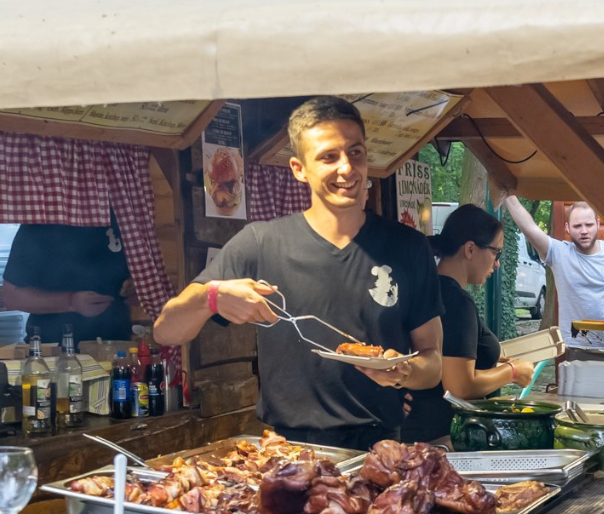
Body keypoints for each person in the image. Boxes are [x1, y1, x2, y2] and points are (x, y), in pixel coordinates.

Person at [153, 96, 443, 450]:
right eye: (328, 157)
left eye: (355, 153)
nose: (347, 168)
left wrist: (404, 372)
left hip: (380, 449)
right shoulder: (261, 242)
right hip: (288, 449)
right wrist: (211, 297)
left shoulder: (408, 247)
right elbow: (166, 331)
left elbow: (433, 364)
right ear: (299, 168)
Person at [400, 205, 536, 443]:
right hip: (440, 437)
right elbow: (459, 386)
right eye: (496, 253)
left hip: (416, 431)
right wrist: (512, 372)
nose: (497, 264)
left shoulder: (428, 290)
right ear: (470, 249)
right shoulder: (456, 302)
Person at [504, 195, 604, 347]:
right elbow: (529, 228)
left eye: (589, 225)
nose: (584, 231)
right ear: (567, 228)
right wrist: (507, 195)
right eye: (577, 226)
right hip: (574, 348)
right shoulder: (559, 254)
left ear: (597, 224)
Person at [0, 217, 134, 344]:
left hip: (117, 344)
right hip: (54, 347)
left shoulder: (122, 217)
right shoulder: (40, 224)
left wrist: (136, 290)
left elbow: (132, 278)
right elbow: (11, 296)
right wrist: (71, 302)